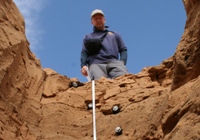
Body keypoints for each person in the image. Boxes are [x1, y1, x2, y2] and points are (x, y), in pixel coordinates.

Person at [80, 9, 128, 80]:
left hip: (114, 62)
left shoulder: (115, 35)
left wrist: (122, 61)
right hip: (96, 64)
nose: (98, 20)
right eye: (96, 19)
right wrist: (83, 65)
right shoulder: (87, 37)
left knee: (124, 80)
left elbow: (123, 49)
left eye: (100, 18)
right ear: (92, 22)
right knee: (100, 85)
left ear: (104, 20)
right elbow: (84, 52)